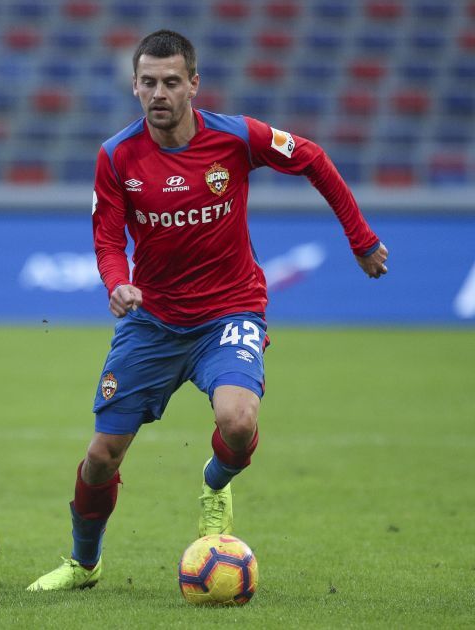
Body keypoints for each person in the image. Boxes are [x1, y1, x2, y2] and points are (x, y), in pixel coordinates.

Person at [27, 30, 388, 591]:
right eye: (148, 82)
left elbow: (312, 157)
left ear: (194, 84)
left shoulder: (237, 138)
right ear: (134, 86)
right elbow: (106, 239)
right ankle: (83, 563)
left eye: (171, 82)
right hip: (152, 322)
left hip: (231, 311)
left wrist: (361, 239)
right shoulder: (117, 156)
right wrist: (116, 283)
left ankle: (215, 483)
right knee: (101, 457)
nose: (159, 93)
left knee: (238, 423)